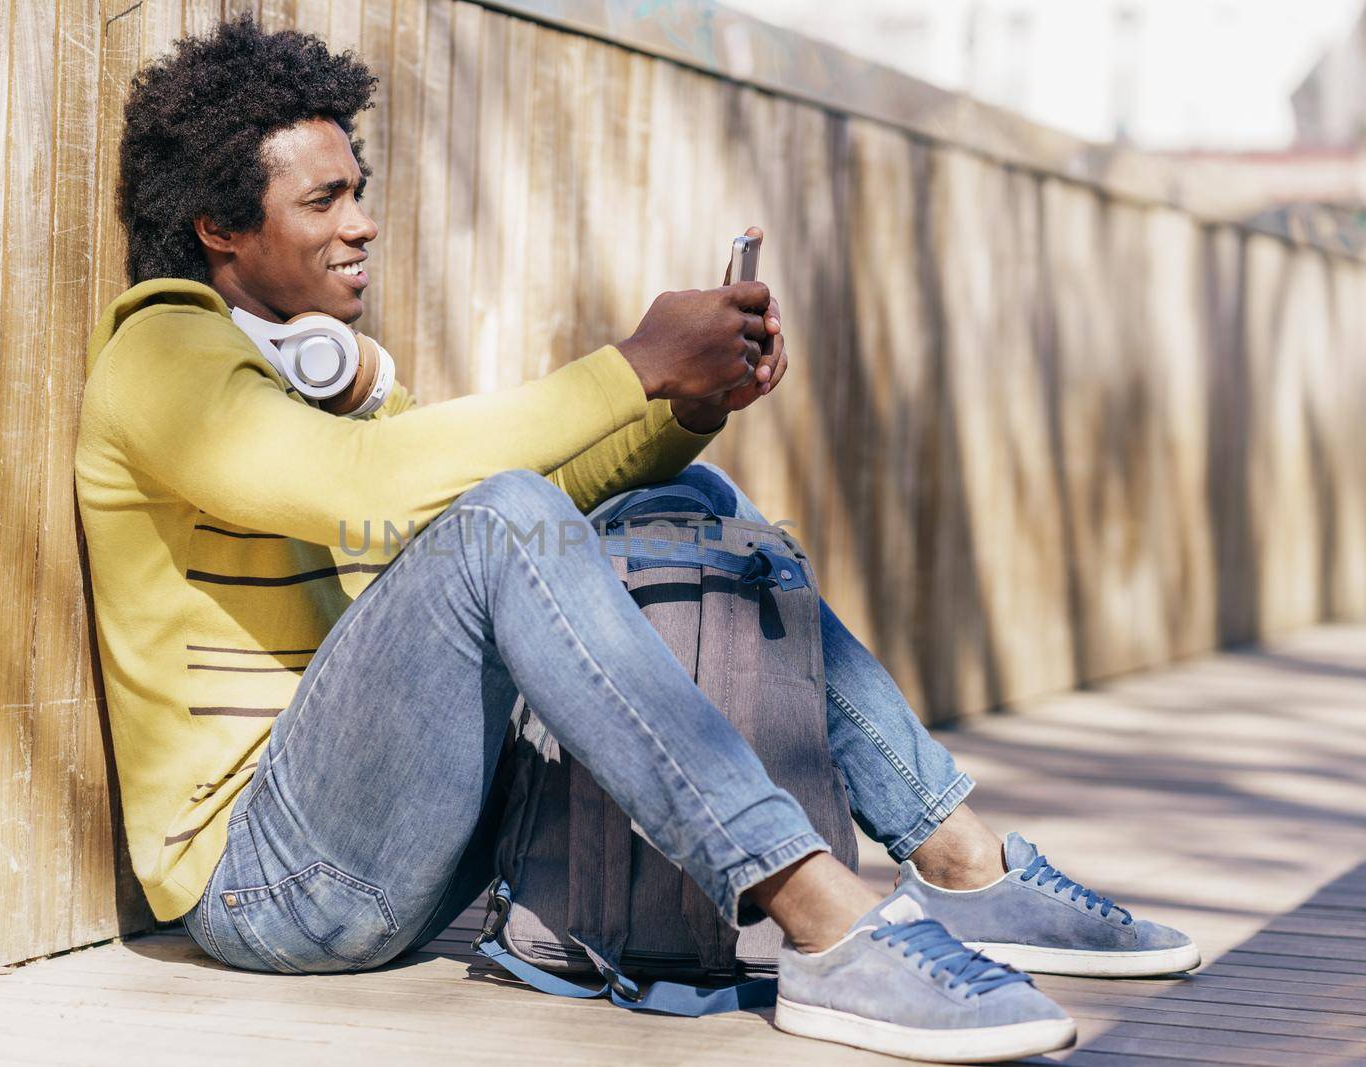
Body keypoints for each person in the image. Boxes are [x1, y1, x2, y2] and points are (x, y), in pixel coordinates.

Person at [76, 16, 1197, 1062]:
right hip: (270, 891)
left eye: (359, 192)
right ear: (220, 227)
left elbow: (528, 496)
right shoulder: (163, 360)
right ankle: (818, 920)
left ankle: (959, 861)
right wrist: (632, 362)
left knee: (690, 495)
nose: (361, 221)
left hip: (400, 844)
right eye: (322, 200)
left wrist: (684, 409)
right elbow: (372, 489)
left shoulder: (321, 372)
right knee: (501, 515)